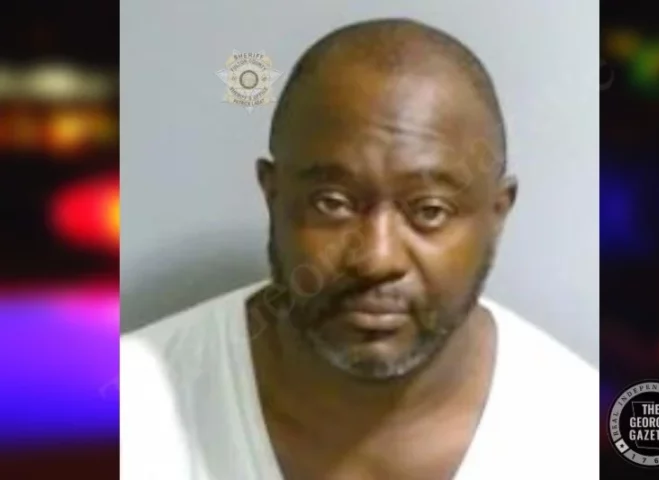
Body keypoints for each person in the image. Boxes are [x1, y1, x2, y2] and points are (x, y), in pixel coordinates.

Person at [121, 18, 598, 480]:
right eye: (332, 203)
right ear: (272, 194)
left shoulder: (581, 434)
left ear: (497, 213)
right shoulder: (129, 409)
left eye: (429, 210)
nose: (377, 259)